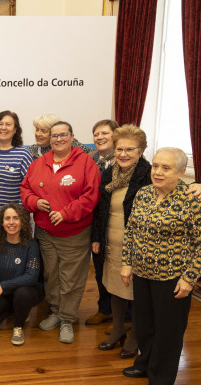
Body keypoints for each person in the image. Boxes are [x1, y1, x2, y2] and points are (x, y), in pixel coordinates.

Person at [121, 147, 201, 385]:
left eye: (166, 168)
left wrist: (189, 278)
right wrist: (126, 262)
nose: (158, 172)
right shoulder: (144, 194)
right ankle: (145, 364)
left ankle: (162, 377)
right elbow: (131, 231)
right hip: (142, 272)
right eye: (156, 166)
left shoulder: (193, 198)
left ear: (182, 172)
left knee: (168, 329)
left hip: (173, 277)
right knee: (146, 324)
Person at [20, 121, 101, 344]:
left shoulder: (85, 163)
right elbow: (25, 188)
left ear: (72, 136)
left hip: (74, 232)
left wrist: (66, 213)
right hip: (45, 233)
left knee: (71, 279)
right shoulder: (38, 163)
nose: (57, 139)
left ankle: (67, 319)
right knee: (51, 276)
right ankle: (55, 312)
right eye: (54, 135)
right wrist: (34, 202)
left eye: (62, 135)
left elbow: (91, 196)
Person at [91, 124, 150, 357]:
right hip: (111, 242)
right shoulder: (109, 174)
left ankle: (135, 335)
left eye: (130, 149)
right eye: (119, 149)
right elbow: (101, 209)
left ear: (140, 151)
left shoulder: (149, 174)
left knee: (135, 291)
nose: (123, 154)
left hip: (136, 245)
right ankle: (117, 330)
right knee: (115, 288)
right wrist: (97, 237)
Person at [0, 203, 43, 345]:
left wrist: (3, 285)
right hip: (5, 294)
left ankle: (18, 326)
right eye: (7, 218)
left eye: (16, 218)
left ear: (23, 222)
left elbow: (31, 276)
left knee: (22, 294)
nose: (11, 222)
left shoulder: (31, 245)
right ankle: (17, 309)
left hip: (27, 291)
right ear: (2, 223)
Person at [0, 111, 33, 247]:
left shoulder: (23, 153)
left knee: (16, 253)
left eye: (8, 124)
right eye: (0, 124)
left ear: (15, 130)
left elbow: (30, 186)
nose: (3, 127)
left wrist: (15, 213)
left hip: (15, 218)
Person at [85, 119, 120, 327]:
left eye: (104, 133)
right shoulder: (90, 159)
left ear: (116, 135)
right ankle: (105, 309)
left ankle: (126, 315)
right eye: (96, 134)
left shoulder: (126, 159)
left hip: (118, 224)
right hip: (96, 224)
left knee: (119, 269)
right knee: (100, 269)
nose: (99, 137)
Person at [28, 113, 95, 159]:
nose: (38, 134)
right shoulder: (32, 150)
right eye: (37, 130)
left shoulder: (70, 145)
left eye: (43, 131)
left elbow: (94, 154)